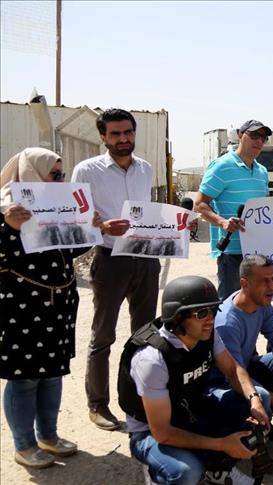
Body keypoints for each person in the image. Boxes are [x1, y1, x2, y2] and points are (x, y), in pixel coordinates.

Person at [1, 148, 101, 468]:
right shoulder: (6, 209)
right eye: (55, 175)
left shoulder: (57, 207)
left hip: (58, 306)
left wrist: (90, 229)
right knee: (25, 378)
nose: (61, 181)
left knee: (53, 374)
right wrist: (9, 228)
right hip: (22, 310)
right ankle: (24, 445)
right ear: (31, 174)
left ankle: (48, 436)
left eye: (62, 174)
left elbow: (68, 249)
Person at [120, 276, 267, 485]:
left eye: (213, 311)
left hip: (189, 409)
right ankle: (157, 471)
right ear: (177, 317)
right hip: (149, 432)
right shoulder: (152, 360)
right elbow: (162, 433)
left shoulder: (206, 334)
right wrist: (221, 444)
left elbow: (233, 371)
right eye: (201, 313)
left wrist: (254, 399)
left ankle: (217, 467)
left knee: (259, 403)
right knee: (187, 472)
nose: (211, 319)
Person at [70, 108, 162, 431]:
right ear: (103, 137)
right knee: (103, 335)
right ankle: (98, 404)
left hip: (145, 258)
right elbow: (75, 218)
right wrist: (102, 226)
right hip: (110, 260)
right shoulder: (86, 170)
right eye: (115, 134)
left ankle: (140, 399)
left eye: (128, 132)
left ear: (134, 133)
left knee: (145, 335)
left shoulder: (145, 169)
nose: (123, 139)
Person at [194, 120, 273, 299]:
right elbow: (199, 204)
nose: (259, 141)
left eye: (263, 138)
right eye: (254, 135)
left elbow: (260, 207)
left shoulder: (262, 171)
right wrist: (222, 222)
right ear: (240, 135)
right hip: (231, 254)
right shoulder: (221, 166)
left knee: (255, 303)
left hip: (256, 251)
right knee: (231, 304)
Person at [213, 255, 273, 431]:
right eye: (264, 281)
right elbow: (233, 374)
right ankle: (267, 426)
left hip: (247, 366)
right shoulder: (227, 323)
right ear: (244, 284)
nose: (272, 287)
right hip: (227, 381)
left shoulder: (262, 303)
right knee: (262, 396)